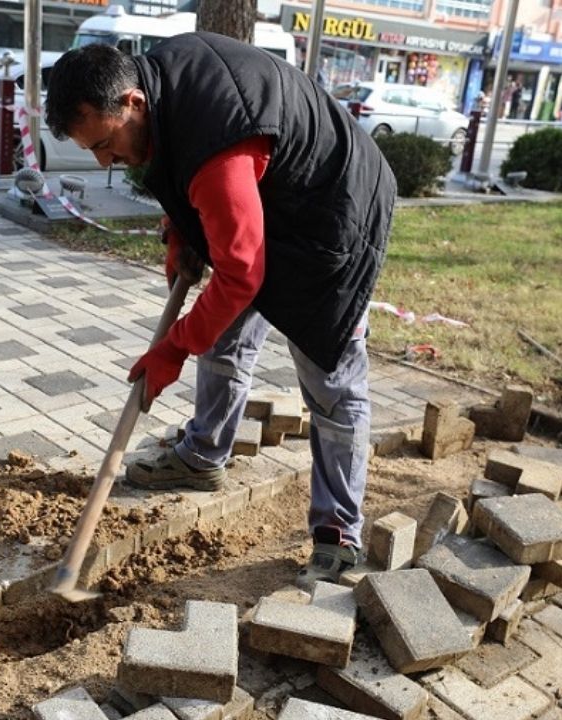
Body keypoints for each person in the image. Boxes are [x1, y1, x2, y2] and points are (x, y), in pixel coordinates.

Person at [45, 36, 396, 589]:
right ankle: (205, 454)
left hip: (333, 213)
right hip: (268, 194)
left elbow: (240, 272)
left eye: (106, 144)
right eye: (92, 150)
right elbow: (197, 192)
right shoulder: (160, 91)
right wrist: (181, 232)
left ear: (133, 101)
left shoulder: (215, 142)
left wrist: (174, 347)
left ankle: (339, 530)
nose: (104, 161)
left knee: (332, 379)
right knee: (226, 333)